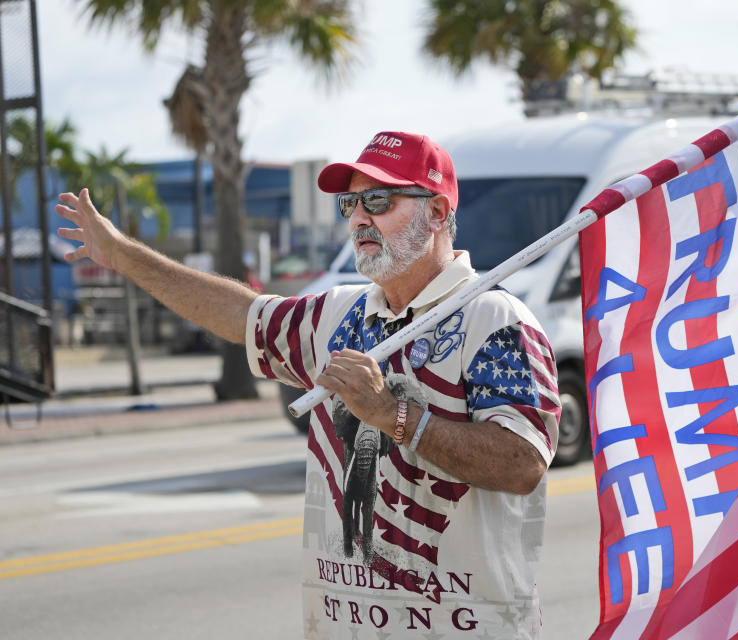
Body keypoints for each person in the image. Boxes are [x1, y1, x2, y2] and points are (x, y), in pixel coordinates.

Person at [55, 130, 561, 640]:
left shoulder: (496, 320)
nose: (360, 218)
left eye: (379, 200)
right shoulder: (337, 313)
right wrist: (123, 256)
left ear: (436, 212)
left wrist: (393, 415)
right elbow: (240, 314)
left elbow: (523, 464)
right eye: (351, 203)